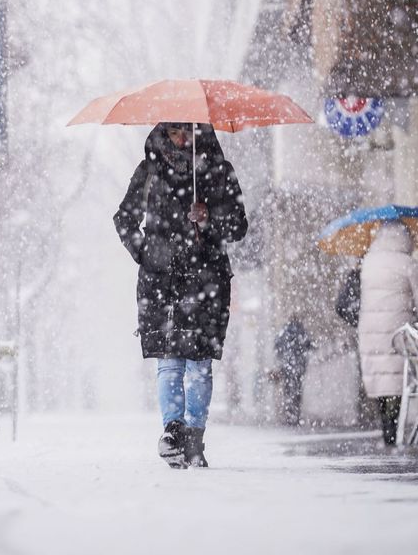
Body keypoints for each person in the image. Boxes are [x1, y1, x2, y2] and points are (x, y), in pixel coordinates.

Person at [113, 122, 248, 469]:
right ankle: (172, 432)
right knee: (169, 362)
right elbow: (124, 218)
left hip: (208, 278)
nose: (182, 138)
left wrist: (207, 220)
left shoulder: (219, 172)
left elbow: (238, 225)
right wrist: (146, 251)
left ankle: (194, 439)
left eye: (187, 131)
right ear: (163, 133)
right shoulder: (150, 171)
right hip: (162, 279)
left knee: (200, 365)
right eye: (174, 132)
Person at [357, 222, 418, 446]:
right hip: (398, 332)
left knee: (381, 380)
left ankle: (386, 428)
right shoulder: (407, 263)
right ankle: (394, 428)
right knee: (396, 382)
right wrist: (416, 314)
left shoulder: (368, 262)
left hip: (369, 331)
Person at [273, 316, 314, 425]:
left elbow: (277, 346)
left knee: (287, 389)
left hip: (287, 365)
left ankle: (288, 413)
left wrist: (281, 357)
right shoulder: (301, 331)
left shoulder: (284, 331)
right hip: (299, 366)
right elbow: (308, 344)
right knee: (297, 389)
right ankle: (295, 413)